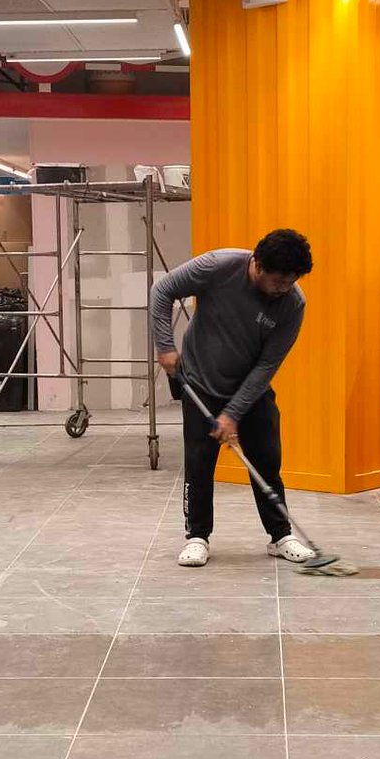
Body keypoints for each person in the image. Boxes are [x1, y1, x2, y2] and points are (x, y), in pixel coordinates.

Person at [149, 228, 314, 568]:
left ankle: (280, 535)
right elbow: (162, 289)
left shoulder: (293, 304)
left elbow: (268, 364)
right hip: (200, 382)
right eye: (278, 282)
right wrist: (165, 345)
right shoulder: (218, 266)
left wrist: (233, 413)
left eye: (290, 282)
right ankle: (197, 536)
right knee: (199, 462)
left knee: (267, 458)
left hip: (250, 389)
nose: (283, 289)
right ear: (257, 264)